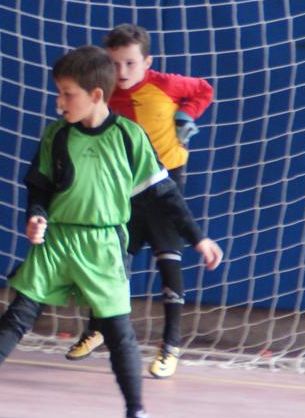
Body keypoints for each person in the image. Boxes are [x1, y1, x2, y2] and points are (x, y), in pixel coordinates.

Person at [0, 46, 223, 418]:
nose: (59, 102)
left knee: (119, 333)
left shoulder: (128, 136)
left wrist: (198, 237)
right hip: (58, 241)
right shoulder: (57, 135)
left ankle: (137, 414)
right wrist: (36, 215)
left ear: (96, 95)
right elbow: (39, 188)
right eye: (59, 93)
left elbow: (165, 194)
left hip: (103, 245)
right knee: (16, 318)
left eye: (68, 94)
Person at [64, 23, 214, 379]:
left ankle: (170, 346)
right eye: (114, 63)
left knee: (168, 258)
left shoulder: (166, 84)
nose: (122, 71)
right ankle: (97, 328)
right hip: (123, 186)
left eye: (130, 63)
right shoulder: (103, 94)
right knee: (113, 260)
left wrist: (186, 115)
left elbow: (203, 89)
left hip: (165, 180)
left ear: (147, 62)